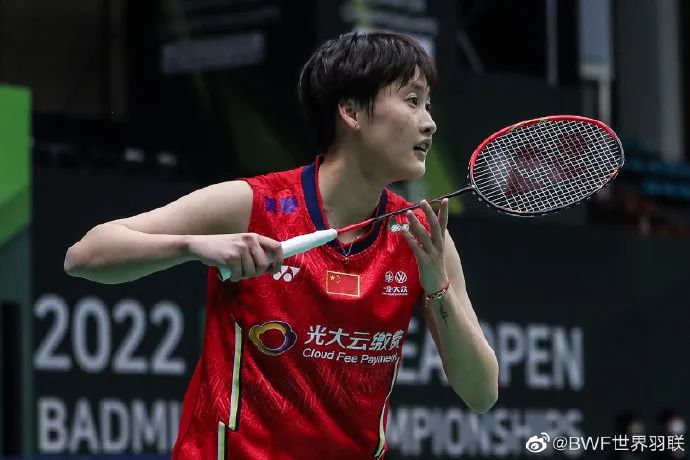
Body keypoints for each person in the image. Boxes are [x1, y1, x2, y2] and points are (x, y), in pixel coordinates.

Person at [64, 31, 498, 459]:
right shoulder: (255, 205)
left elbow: (481, 393)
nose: (429, 122)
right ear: (351, 111)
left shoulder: (421, 237)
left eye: (428, 105)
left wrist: (437, 287)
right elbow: (84, 255)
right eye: (411, 100)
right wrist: (194, 246)